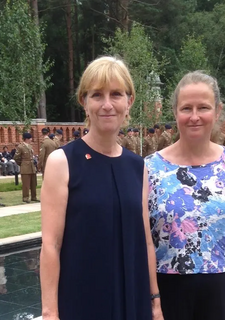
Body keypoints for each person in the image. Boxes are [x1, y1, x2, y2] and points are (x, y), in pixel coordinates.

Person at [40, 56, 163, 320]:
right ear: (84, 103)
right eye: (97, 95)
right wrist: (50, 312)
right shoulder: (62, 162)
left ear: (129, 102)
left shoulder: (137, 166)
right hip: (83, 299)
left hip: (133, 298)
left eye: (116, 94)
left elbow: (146, 239)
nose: (107, 105)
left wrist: (155, 301)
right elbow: (51, 244)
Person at [144, 71, 225, 320]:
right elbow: (143, 236)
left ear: (217, 111)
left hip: (223, 282)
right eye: (186, 108)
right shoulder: (149, 169)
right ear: (175, 112)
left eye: (203, 108)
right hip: (168, 285)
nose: (194, 116)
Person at [14, 132, 39, 203]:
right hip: (25, 166)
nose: (31, 139)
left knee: (33, 183)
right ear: (27, 139)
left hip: (31, 166)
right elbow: (16, 157)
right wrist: (21, 164)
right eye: (30, 138)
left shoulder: (30, 146)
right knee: (26, 184)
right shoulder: (20, 147)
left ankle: (34, 197)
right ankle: (25, 197)